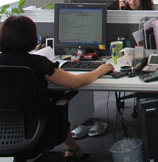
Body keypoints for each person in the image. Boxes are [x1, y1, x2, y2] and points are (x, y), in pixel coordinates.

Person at [0, 16, 114, 160]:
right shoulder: (37, 63)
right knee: (57, 101)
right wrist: (99, 70)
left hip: (3, 126)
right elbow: (76, 82)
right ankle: (71, 149)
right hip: (35, 126)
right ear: (31, 38)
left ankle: (72, 149)